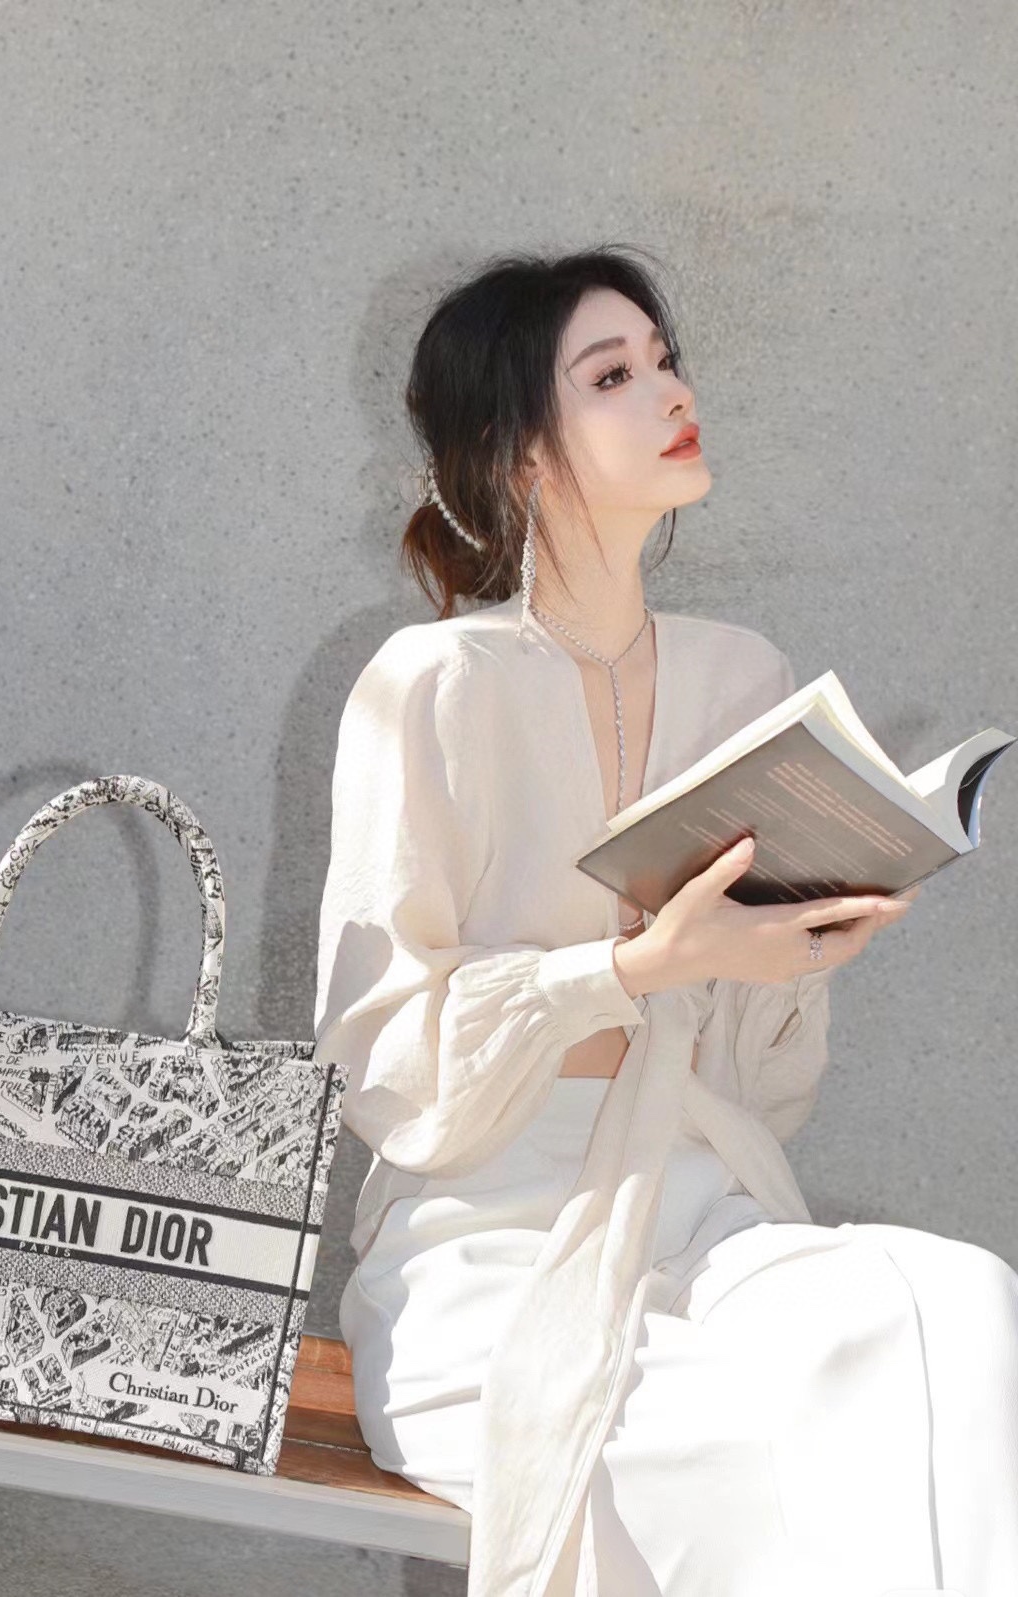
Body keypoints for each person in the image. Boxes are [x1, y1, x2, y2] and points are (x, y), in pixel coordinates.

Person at [311, 245, 1018, 1597]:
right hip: (486, 1247)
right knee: (743, 1448)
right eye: (613, 375)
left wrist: (795, 956)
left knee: (957, 1307)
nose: (671, 390)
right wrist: (635, 968)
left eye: (666, 359)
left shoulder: (741, 675)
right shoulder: (429, 684)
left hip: (705, 1216)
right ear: (522, 451)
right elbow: (384, 1062)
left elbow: (760, 1096)